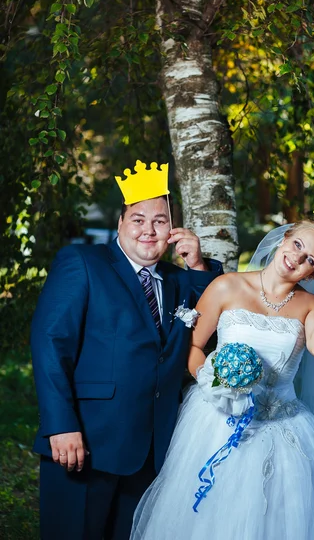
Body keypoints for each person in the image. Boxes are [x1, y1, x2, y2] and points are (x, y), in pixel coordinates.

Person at [131, 220, 314, 540]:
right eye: (298, 245)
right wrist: (217, 385)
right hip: (217, 420)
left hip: (282, 426)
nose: (297, 258)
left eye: (310, 260)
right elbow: (193, 347)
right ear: (285, 238)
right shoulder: (227, 286)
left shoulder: (313, 307)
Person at [30, 185, 223, 540]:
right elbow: (50, 342)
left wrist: (196, 264)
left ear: (172, 231)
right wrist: (60, 425)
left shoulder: (181, 280)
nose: (148, 230)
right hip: (87, 440)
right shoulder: (84, 263)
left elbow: (215, 326)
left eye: (160, 221)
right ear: (120, 223)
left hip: (151, 450)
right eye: (138, 219)